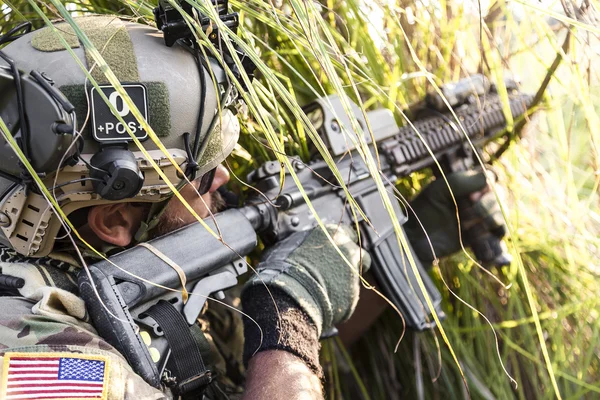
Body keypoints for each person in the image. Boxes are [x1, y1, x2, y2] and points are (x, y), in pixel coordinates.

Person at [0, 15, 505, 400]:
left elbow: (257, 372)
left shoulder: (111, 283)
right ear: (114, 220)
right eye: (200, 177)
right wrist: (290, 316)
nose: (222, 178)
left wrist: (414, 242)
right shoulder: (46, 365)